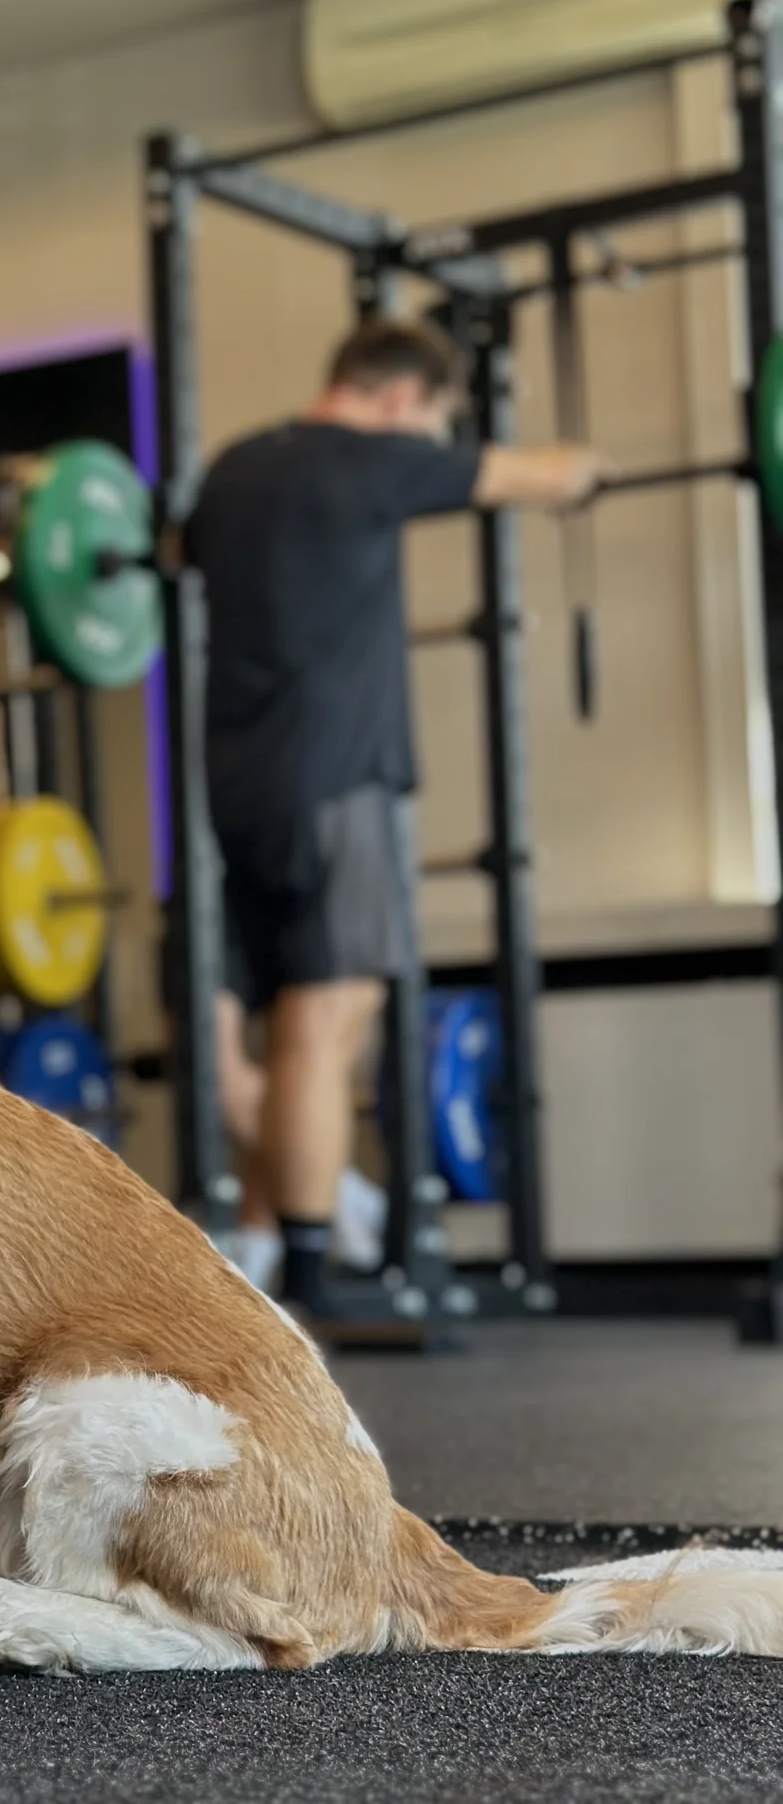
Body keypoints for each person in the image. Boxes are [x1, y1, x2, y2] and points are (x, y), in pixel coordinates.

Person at [181, 313, 600, 1312]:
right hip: (339, 776)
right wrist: (588, 467)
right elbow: (539, 474)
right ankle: (316, 1275)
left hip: (236, 783)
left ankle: (288, 1245)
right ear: (400, 399)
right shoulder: (374, 461)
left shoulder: (232, 471)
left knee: (270, 1022)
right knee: (325, 1021)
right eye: (425, 420)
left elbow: (171, 547)